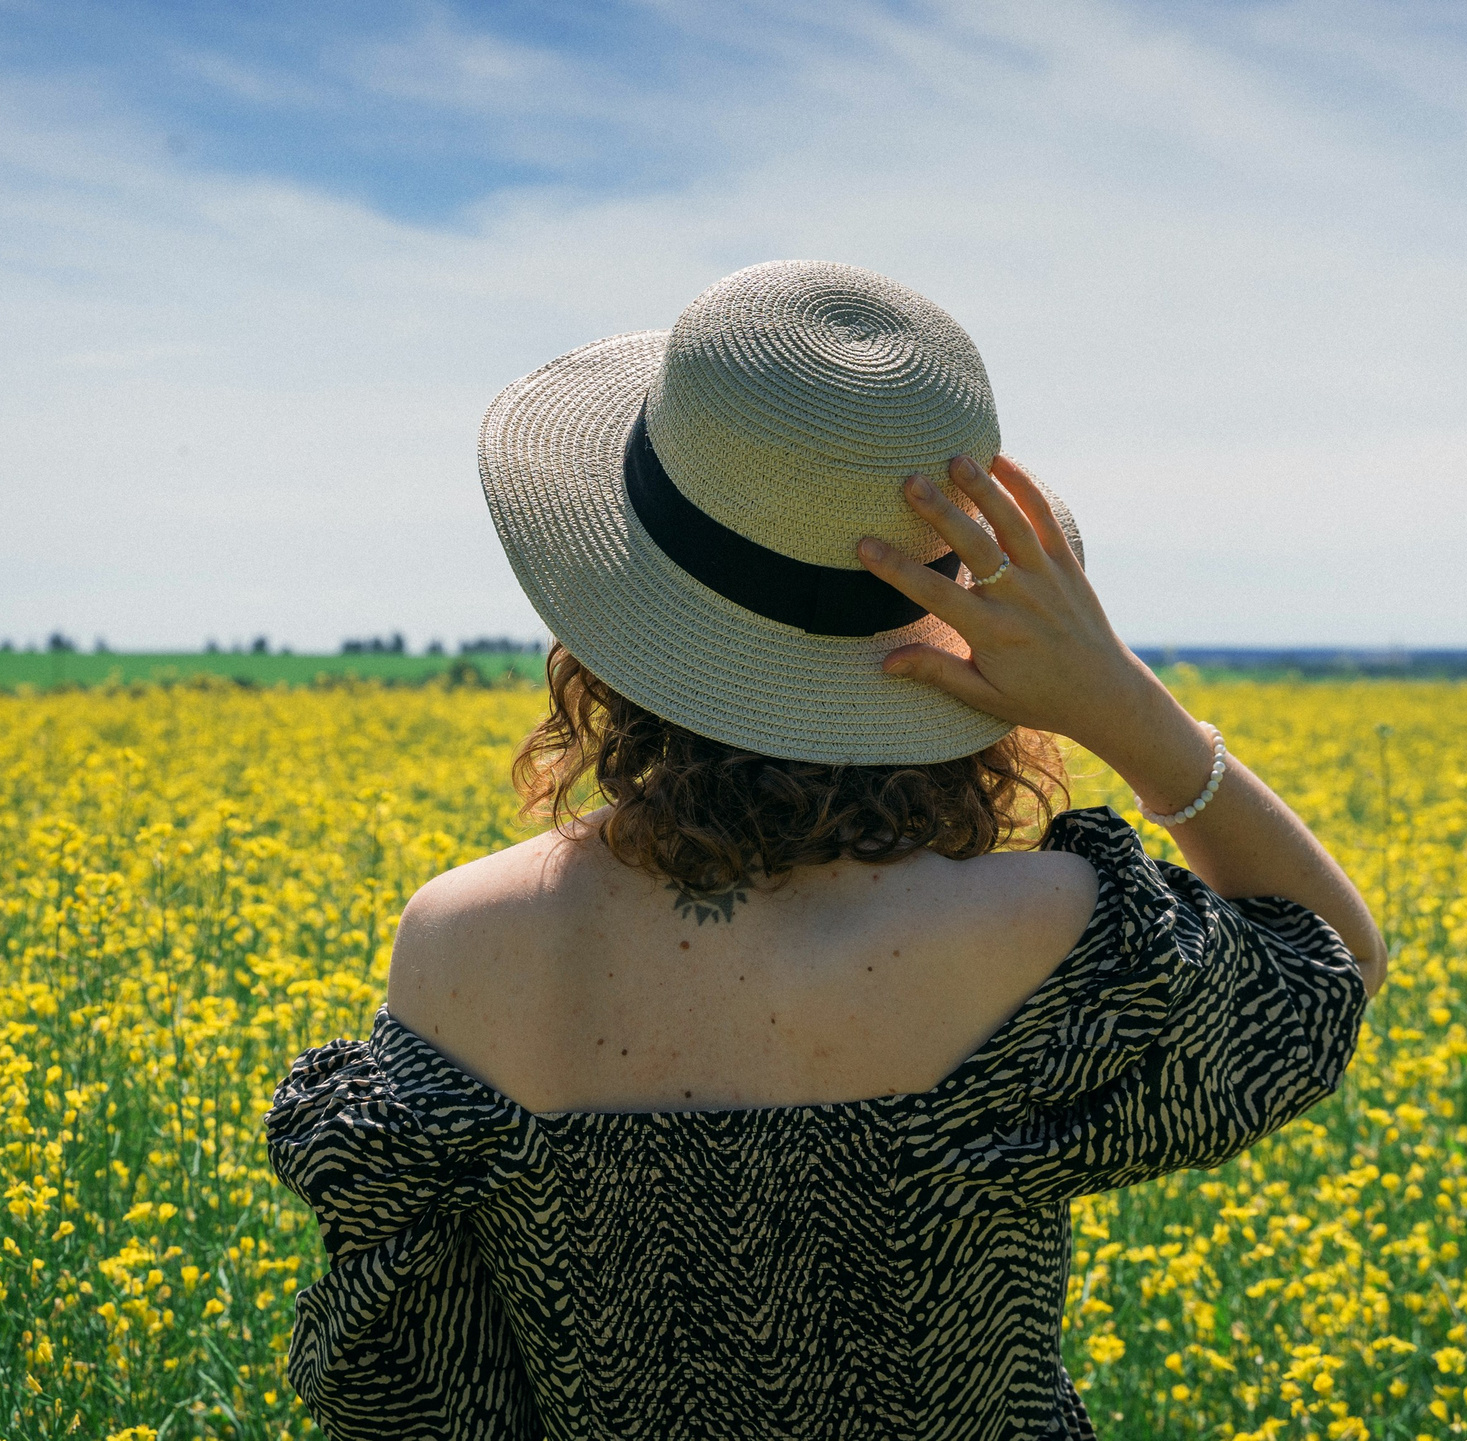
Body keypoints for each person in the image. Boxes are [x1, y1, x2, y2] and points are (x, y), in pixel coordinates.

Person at [267, 260, 1384, 1439]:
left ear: (611, 614)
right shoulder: (1046, 934)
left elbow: (419, 1394)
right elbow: (1329, 967)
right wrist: (1125, 710)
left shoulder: (462, 944)